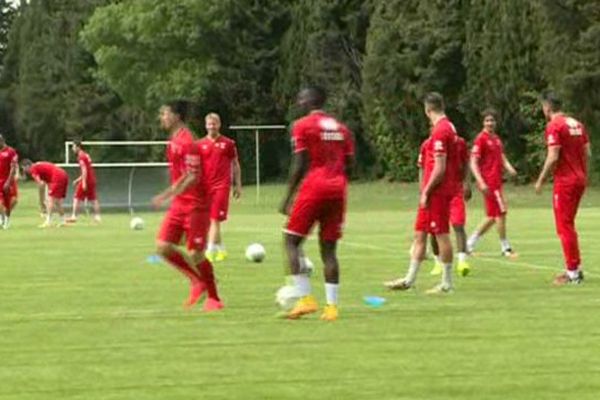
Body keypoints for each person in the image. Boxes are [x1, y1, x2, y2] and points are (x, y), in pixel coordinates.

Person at [279, 86, 354, 321]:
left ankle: (305, 300)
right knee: (329, 249)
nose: (299, 102)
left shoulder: (301, 125)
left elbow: (299, 164)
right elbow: (351, 163)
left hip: (315, 186)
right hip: (338, 188)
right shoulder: (342, 129)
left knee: (291, 241)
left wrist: (288, 196)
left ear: (310, 100)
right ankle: (331, 308)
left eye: (301, 98)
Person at [152, 100, 223, 311]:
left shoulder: (187, 141)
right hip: (179, 204)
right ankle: (197, 281)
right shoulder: (173, 140)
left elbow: (193, 175)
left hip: (195, 205)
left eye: (165, 113)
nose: (162, 117)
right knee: (163, 247)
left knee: (196, 253)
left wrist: (168, 193)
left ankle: (214, 298)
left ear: (176, 116)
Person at [384, 92, 458, 294]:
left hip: (437, 192)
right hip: (433, 192)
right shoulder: (447, 128)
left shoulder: (441, 130)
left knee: (441, 235)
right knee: (420, 235)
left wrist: (426, 190)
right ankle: (409, 279)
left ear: (427, 110)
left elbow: (440, 167)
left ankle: (446, 283)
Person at [535, 91, 590, 285]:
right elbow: (587, 151)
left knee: (564, 226)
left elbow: (553, 156)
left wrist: (541, 179)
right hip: (580, 179)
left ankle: (573, 272)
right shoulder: (577, 124)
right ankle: (575, 267)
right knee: (569, 224)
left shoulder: (554, 126)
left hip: (565, 182)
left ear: (547, 107)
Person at [467, 109, 517, 256]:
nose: (490, 123)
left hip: (496, 181)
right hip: (489, 182)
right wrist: (480, 181)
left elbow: (501, 156)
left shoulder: (496, 139)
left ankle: (469, 244)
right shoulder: (481, 139)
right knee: (501, 213)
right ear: (483, 122)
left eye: (492, 120)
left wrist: (509, 168)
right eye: (487, 120)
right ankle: (505, 247)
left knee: (492, 216)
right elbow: (473, 162)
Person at [197, 113, 242, 263]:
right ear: (205, 125)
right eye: (209, 124)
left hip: (221, 186)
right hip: (205, 187)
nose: (212, 127)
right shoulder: (199, 145)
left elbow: (235, 164)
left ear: (219, 124)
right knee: (210, 220)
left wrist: (238, 184)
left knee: (214, 219)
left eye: (214, 124)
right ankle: (221, 249)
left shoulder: (228, 143)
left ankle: (209, 251)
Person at [429, 133, 472, 276]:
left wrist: (466, 183)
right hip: (437, 193)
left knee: (458, 225)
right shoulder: (428, 144)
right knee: (435, 230)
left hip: (455, 191)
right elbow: (424, 168)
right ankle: (437, 262)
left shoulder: (460, 143)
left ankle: (462, 261)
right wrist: (425, 190)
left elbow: (466, 163)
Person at [21, 160, 69, 228]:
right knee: (57, 202)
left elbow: (41, 184)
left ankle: (48, 221)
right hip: (63, 174)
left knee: (50, 200)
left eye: (24, 169)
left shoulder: (33, 169)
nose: (25, 171)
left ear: (28, 166)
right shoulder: (38, 166)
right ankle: (63, 221)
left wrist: (42, 202)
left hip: (57, 177)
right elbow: (46, 181)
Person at [67, 140, 101, 223]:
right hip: (92, 179)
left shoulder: (81, 156)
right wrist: (78, 179)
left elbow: (84, 169)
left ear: (78, 147)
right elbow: (88, 169)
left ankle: (74, 216)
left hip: (87, 180)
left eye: (73, 146)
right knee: (93, 199)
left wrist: (84, 182)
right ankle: (98, 217)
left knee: (76, 198)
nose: (73, 148)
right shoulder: (86, 155)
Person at [0, 134, 18, 230]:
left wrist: (8, 181)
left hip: (8, 180)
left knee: (10, 202)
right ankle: (1, 219)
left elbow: (13, 167)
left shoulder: (11, 152)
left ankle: (7, 219)